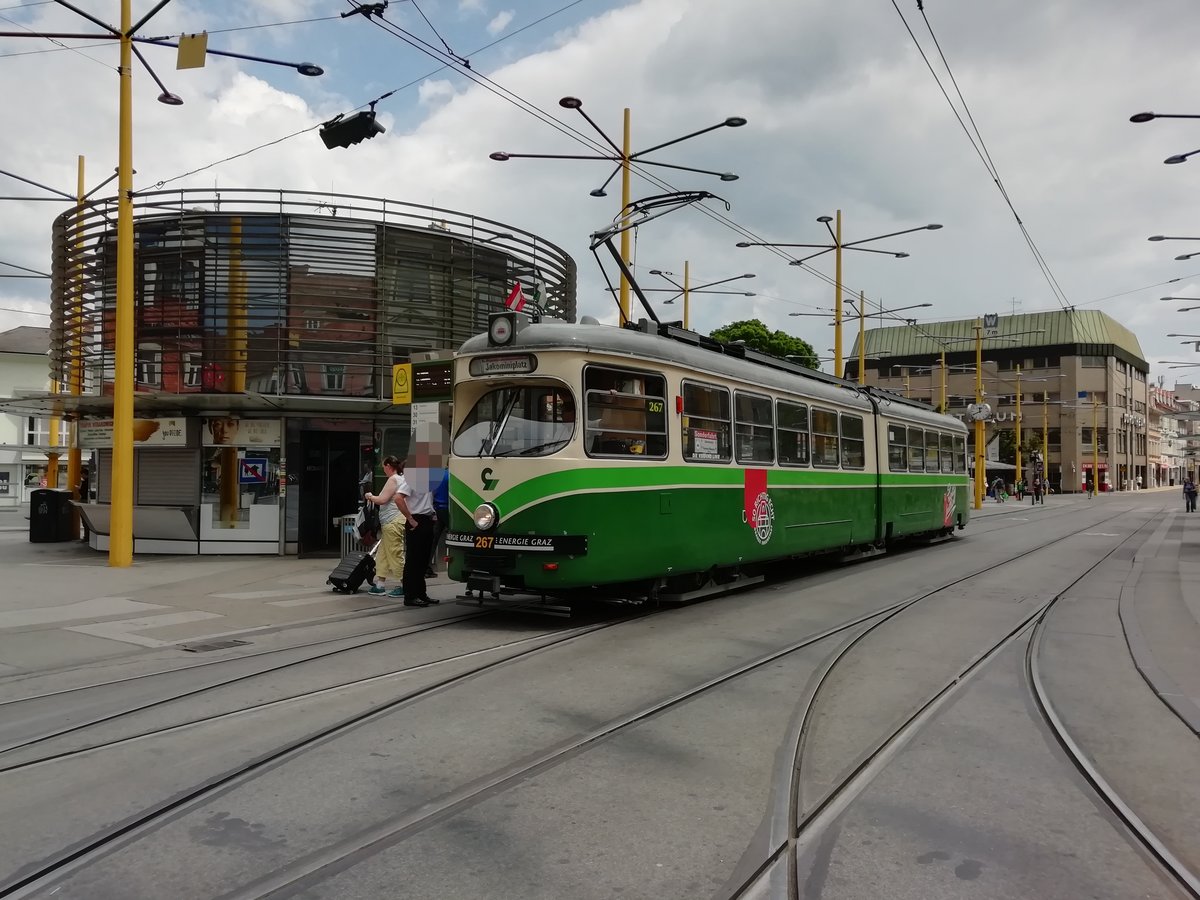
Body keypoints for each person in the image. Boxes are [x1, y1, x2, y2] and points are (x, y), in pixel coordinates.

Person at [363, 456, 418, 603]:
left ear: (388, 466)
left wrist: (370, 496)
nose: (383, 470)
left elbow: (382, 500)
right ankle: (380, 584)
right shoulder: (401, 479)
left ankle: (404, 584)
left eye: (383, 467)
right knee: (383, 554)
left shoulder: (393, 479)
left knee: (394, 552)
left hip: (392, 522)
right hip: (394, 521)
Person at [398, 466, 438, 607]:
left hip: (427, 519)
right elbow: (398, 498)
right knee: (413, 560)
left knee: (423, 560)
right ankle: (410, 596)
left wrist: (433, 515)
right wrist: (410, 518)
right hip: (416, 520)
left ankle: (421, 593)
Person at [427, 467, 449, 578]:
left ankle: (426, 567)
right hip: (448, 510)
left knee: (433, 540)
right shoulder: (450, 475)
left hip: (436, 508)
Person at [78, 468, 91, 541]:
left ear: (84, 474)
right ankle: (88, 537)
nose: (81, 476)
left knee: (84, 520)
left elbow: (82, 492)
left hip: (84, 501)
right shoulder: (90, 482)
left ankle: (86, 537)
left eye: (82, 475)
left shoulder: (84, 482)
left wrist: (79, 488)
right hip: (88, 501)